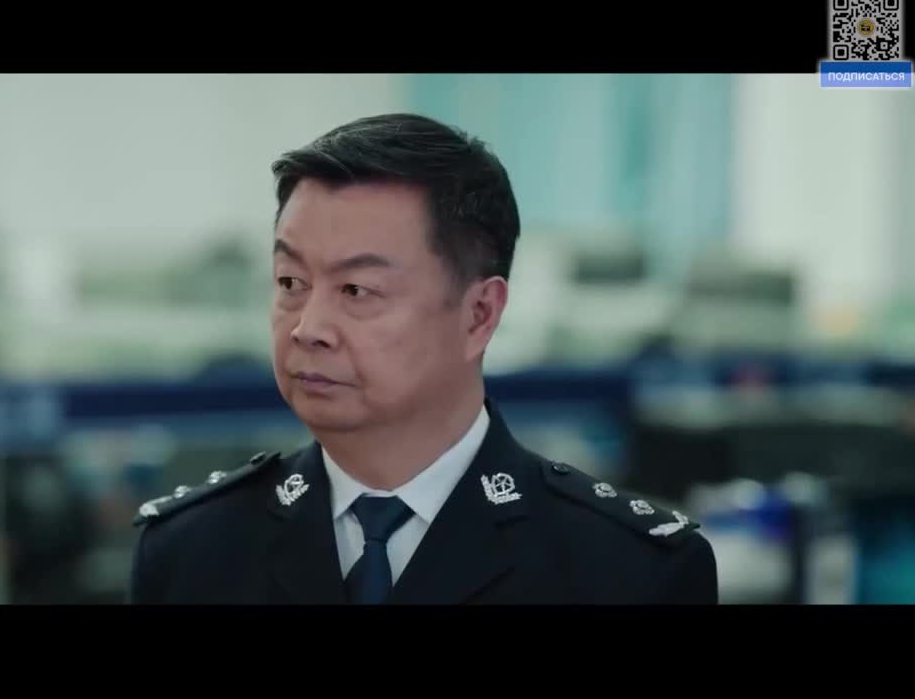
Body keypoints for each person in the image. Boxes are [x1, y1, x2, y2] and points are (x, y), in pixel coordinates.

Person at [128, 113, 717, 604]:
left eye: (357, 290)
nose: (307, 328)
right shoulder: (190, 552)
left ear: (478, 314)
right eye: (290, 282)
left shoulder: (628, 570)